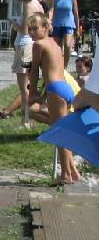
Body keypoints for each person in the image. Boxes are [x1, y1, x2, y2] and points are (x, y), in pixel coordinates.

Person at [27, 12, 80, 184]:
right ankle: (73, 171)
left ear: (45, 27)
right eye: (29, 29)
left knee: (60, 134)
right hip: (64, 88)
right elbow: (55, 70)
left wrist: (33, 92)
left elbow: (34, 71)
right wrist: (43, 94)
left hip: (56, 89)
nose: (31, 33)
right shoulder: (55, 44)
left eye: (35, 28)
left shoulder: (39, 44)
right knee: (61, 129)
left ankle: (65, 175)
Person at [10, 0, 44, 129]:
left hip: (24, 46)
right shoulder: (38, 4)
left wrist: (13, 24)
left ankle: (26, 121)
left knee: (24, 87)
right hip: (32, 46)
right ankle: (30, 119)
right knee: (31, 84)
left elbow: (25, 29)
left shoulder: (28, 4)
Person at [49, 0, 80, 69]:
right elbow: (51, 10)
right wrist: (49, 21)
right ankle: (58, 64)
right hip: (57, 24)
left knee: (67, 45)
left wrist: (77, 29)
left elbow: (76, 14)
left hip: (69, 24)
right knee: (57, 47)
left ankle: (65, 65)